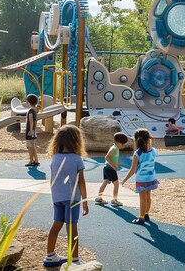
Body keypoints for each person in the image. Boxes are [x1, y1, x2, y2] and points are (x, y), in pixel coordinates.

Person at [44, 125, 89, 267]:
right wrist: (85, 200)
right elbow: (81, 181)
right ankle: (75, 259)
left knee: (57, 223)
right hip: (72, 198)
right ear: (76, 141)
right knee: (72, 226)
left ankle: (50, 255)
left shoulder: (55, 158)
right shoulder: (76, 159)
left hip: (57, 197)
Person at [121, 129, 159, 225]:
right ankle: (146, 214)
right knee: (148, 197)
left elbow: (132, 170)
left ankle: (141, 218)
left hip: (141, 179)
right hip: (151, 177)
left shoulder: (137, 153)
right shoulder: (153, 151)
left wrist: (124, 179)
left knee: (142, 198)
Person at [95, 132, 128, 206]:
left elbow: (113, 157)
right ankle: (114, 200)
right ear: (117, 142)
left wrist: (118, 162)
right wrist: (114, 166)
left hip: (107, 168)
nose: (123, 146)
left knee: (105, 182)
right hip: (110, 169)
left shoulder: (115, 148)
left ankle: (99, 198)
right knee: (116, 184)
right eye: (122, 144)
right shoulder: (114, 148)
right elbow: (107, 157)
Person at [25, 94, 40, 167]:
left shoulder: (30, 110)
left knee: (30, 147)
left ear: (28, 102)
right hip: (34, 131)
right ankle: (36, 160)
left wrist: (30, 130)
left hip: (30, 131)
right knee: (33, 146)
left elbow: (31, 121)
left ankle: (31, 160)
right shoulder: (35, 110)